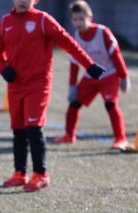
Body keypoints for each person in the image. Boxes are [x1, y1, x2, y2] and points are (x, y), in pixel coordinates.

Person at [0, 0, 105, 192]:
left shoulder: (43, 20)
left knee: (33, 129)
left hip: (38, 85)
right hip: (15, 86)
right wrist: (3, 69)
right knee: (18, 130)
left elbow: (69, 43)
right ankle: (20, 173)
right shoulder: (5, 22)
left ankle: (41, 175)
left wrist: (89, 65)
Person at [54, 0, 131, 150]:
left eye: (81, 19)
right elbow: (74, 63)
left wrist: (124, 76)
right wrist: (72, 85)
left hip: (110, 76)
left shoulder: (103, 33)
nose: (78, 22)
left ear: (90, 17)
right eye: (75, 19)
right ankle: (69, 135)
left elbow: (116, 56)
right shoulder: (76, 36)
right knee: (74, 103)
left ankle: (120, 138)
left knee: (111, 104)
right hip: (90, 78)